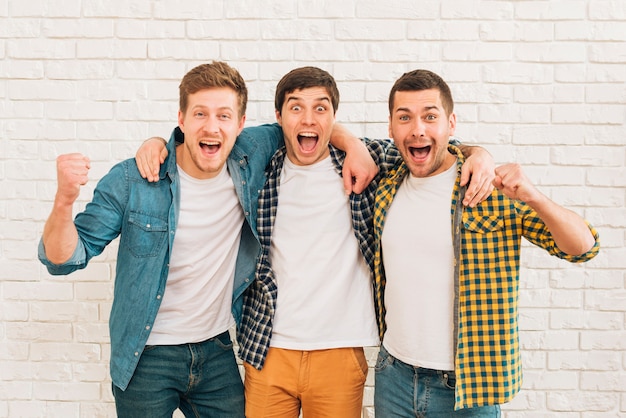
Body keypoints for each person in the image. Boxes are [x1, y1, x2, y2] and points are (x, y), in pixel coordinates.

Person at [136, 66, 495, 417]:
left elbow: (429, 146)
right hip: (268, 350)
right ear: (280, 117)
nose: (308, 119)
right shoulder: (259, 168)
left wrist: (478, 154)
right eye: (296, 108)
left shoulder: (366, 163)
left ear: (334, 116)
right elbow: (204, 139)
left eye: (320, 108)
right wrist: (159, 142)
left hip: (339, 352)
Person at [37, 61, 371, 417]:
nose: (212, 127)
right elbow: (64, 259)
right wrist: (64, 201)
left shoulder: (250, 154)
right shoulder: (132, 180)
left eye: (224, 116)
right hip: (146, 355)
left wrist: (354, 145)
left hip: (215, 353)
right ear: (181, 120)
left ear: (241, 125)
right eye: (200, 114)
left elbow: (307, 123)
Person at [371, 69, 600, 417]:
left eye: (430, 116)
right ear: (391, 127)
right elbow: (337, 139)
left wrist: (534, 197)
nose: (417, 128)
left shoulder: (489, 187)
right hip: (394, 376)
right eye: (405, 117)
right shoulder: (386, 183)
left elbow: (584, 247)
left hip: (467, 389)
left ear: (451, 123)